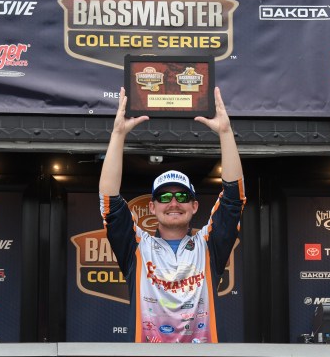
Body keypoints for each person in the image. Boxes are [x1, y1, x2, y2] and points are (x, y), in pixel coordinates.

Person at [99, 86, 246, 343]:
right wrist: (118, 134)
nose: (174, 203)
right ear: (152, 207)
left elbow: (233, 199)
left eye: (183, 197)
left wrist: (225, 132)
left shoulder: (208, 246)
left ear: (194, 206)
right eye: (165, 197)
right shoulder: (138, 247)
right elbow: (109, 201)